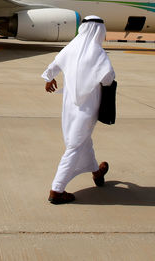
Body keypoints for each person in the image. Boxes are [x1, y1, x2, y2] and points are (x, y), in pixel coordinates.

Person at [42, 16, 115, 205]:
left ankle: (97, 173)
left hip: (69, 105)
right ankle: (56, 190)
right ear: (98, 31)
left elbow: (54, 64)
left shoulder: (71, 47)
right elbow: (108, 77)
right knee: (75, 144)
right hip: (87, 107)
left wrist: (49, 78)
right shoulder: (97, 52)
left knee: (83, 139)